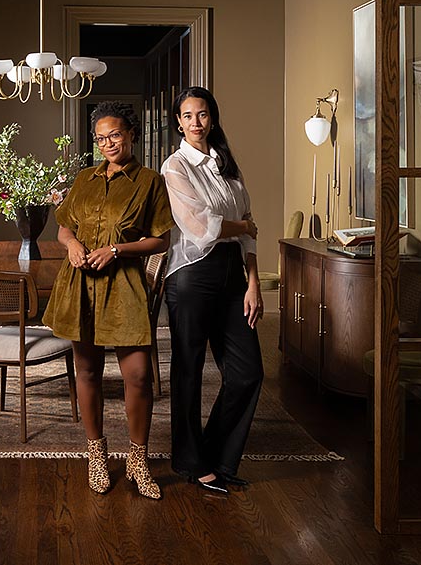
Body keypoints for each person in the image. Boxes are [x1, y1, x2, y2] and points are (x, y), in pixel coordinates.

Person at [43, 101, 173, 499]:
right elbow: (64, 227)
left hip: (125, 285)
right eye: (101, 138)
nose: (108, 143)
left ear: (131, 133)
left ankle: (138, 459)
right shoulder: (83, 178)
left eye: (115, 135)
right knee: (87, 372)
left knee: (137, 376)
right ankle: (95, 454)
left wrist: (117, 249)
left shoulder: (150, 181)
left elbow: (161, 239)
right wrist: (72, 245)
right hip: (80, 284)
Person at [160, 86, 263, 495]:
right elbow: (201, 227)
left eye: (202, 114)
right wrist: (241, 227)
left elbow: (250, 224)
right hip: (191, 276)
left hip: (233, 276)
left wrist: (253, 283)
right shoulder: (176, 167)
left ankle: (218, 457)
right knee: (188, 371)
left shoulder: (227, 165)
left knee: (247, 373)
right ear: (179, 123)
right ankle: (190, 462)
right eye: (187, 116)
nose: (196, 122)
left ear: (213, 118)